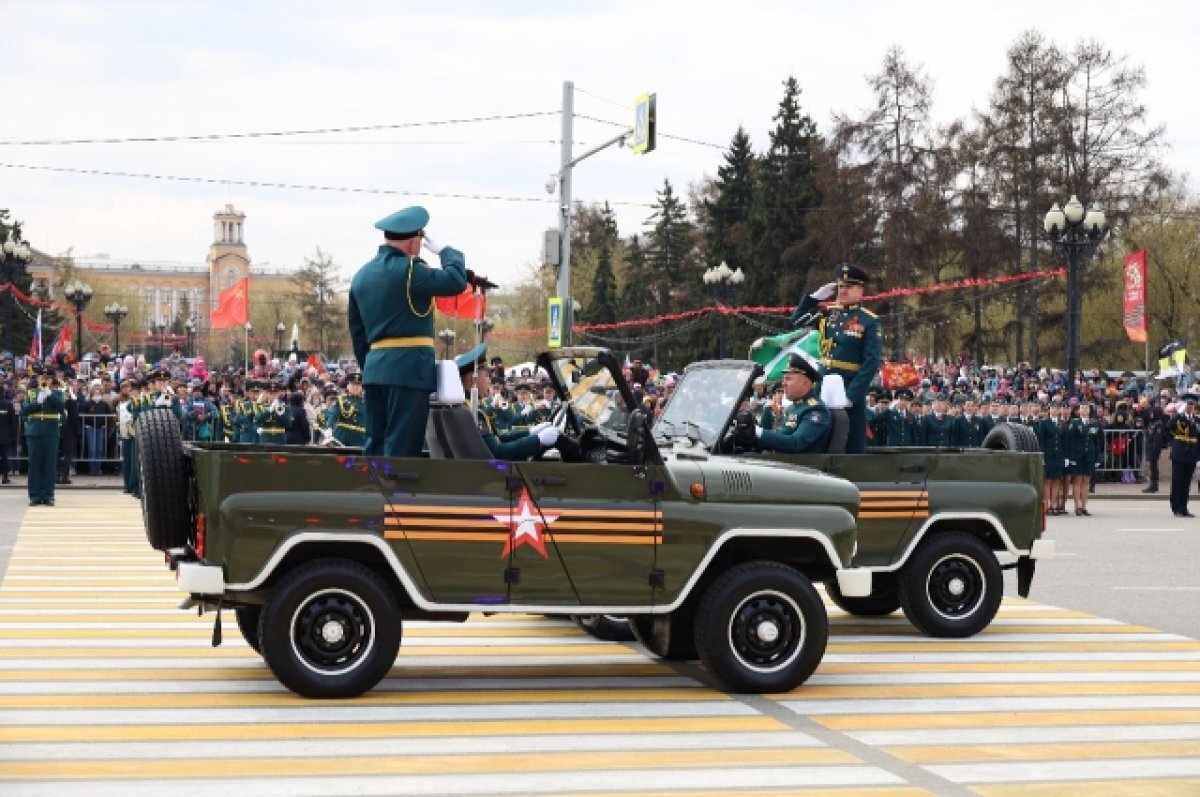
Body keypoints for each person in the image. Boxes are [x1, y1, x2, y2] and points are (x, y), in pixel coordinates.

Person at [348, 206, 469, 457]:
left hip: (374, 371)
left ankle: (374, 484)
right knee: (402, 448)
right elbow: (456, 281)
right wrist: (446, 252)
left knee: (376, 445)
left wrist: (372, 367)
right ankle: (395, 485)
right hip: (409, 370)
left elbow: (358, 334)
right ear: (414, 243)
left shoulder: (361, 276)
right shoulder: (411, 270)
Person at [789, 263, 881, 454]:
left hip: (848, 387)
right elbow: (796, 320)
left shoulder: (869, 320)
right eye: (841, 286)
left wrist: (851, 396)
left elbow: (871, 362)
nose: (843, 290)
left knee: (852, 445)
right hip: (823, 385)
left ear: (860, 290)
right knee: (818, 441)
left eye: (849, 287)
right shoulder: (829, 313)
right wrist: (813, 298)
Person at [457, 344, 560, 460]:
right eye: (486, 376)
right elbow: (497, 453)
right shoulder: (471, 412)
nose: (489, 381)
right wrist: (538, 440)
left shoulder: (467, 408)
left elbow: (497, 438)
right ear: (473, 379)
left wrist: (530, 432)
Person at [736, 353, 832, 454]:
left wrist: (757, 431)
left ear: (805, 383)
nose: (783, 383)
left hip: (798, 463)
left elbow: (796, 443)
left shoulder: (816, 411)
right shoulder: (793, 407)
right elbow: (780, 436)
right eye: (784, 379)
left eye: (788, 379)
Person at [21, 374, 65, 506]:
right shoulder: (31, 393)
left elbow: (61, 406)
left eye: (48, 379)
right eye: (43, 379)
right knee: (34, 465)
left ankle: (48, 495)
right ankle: (35, 495)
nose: (45, 381)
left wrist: (49, 394)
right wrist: (37, 402)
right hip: (34, 432)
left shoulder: (57, 393)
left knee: (49, 464)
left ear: (51, 381)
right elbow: (25, 410)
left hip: (51, 432)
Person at [1168, 395, 1200, 518]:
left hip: (1191, 453)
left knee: (1186, 482)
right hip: (1180, 452)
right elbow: (1169, 427)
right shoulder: (1178, 418)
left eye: (1192, 406)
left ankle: (1184, 508)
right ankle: (1176, 507)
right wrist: (1177, 414)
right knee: (1177, 481)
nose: (1190, 408)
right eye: (1188, 406)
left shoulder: (1196, 420)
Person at [330, 373, 367, 447]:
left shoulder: (367, 403)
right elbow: (333, 415)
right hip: (342, 437)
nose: (355, 387)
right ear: (348, 386)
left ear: (362, 387)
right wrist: (329, 429)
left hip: (361, 440)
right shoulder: (341, 399)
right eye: (353, 384)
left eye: (358, 385)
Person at [0, 384, 17, 484]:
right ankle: (5, 477)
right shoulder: (8, 404)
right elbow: (12, 421)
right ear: (3, 391)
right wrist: (12, 434)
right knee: (4, 456)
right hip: (5, 435)